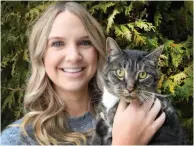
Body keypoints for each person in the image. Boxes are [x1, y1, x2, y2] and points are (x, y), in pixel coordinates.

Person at [0, 1, 166, 145]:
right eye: (57, 43)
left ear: (99, 52)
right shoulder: (16, 140)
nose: (73, 56)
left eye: (85, 42)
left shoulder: (142, 116)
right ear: (41, 55)